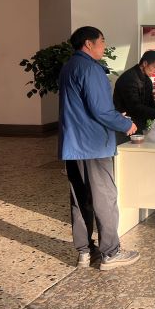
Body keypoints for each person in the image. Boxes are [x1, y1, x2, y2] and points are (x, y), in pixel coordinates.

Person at [59, 26, 141, 270]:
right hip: (93, 144)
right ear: (89, 43)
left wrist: (112, 115)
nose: (104, 46)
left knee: (80, 198)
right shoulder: (91, 69)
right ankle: (111, 253)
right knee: (104, 198)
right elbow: (100, 110)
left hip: (73, 144)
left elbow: (83, 107)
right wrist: (126, 124)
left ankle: (85, 252)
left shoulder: (69, 66)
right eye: (102, 41)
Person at [113, 50, 155, 144]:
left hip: (138, 125)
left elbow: (150, 104)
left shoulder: (147, 80)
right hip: (125, 126)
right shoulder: (129, 78)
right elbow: (134, 107)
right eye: (154, 67)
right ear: (145, 63)